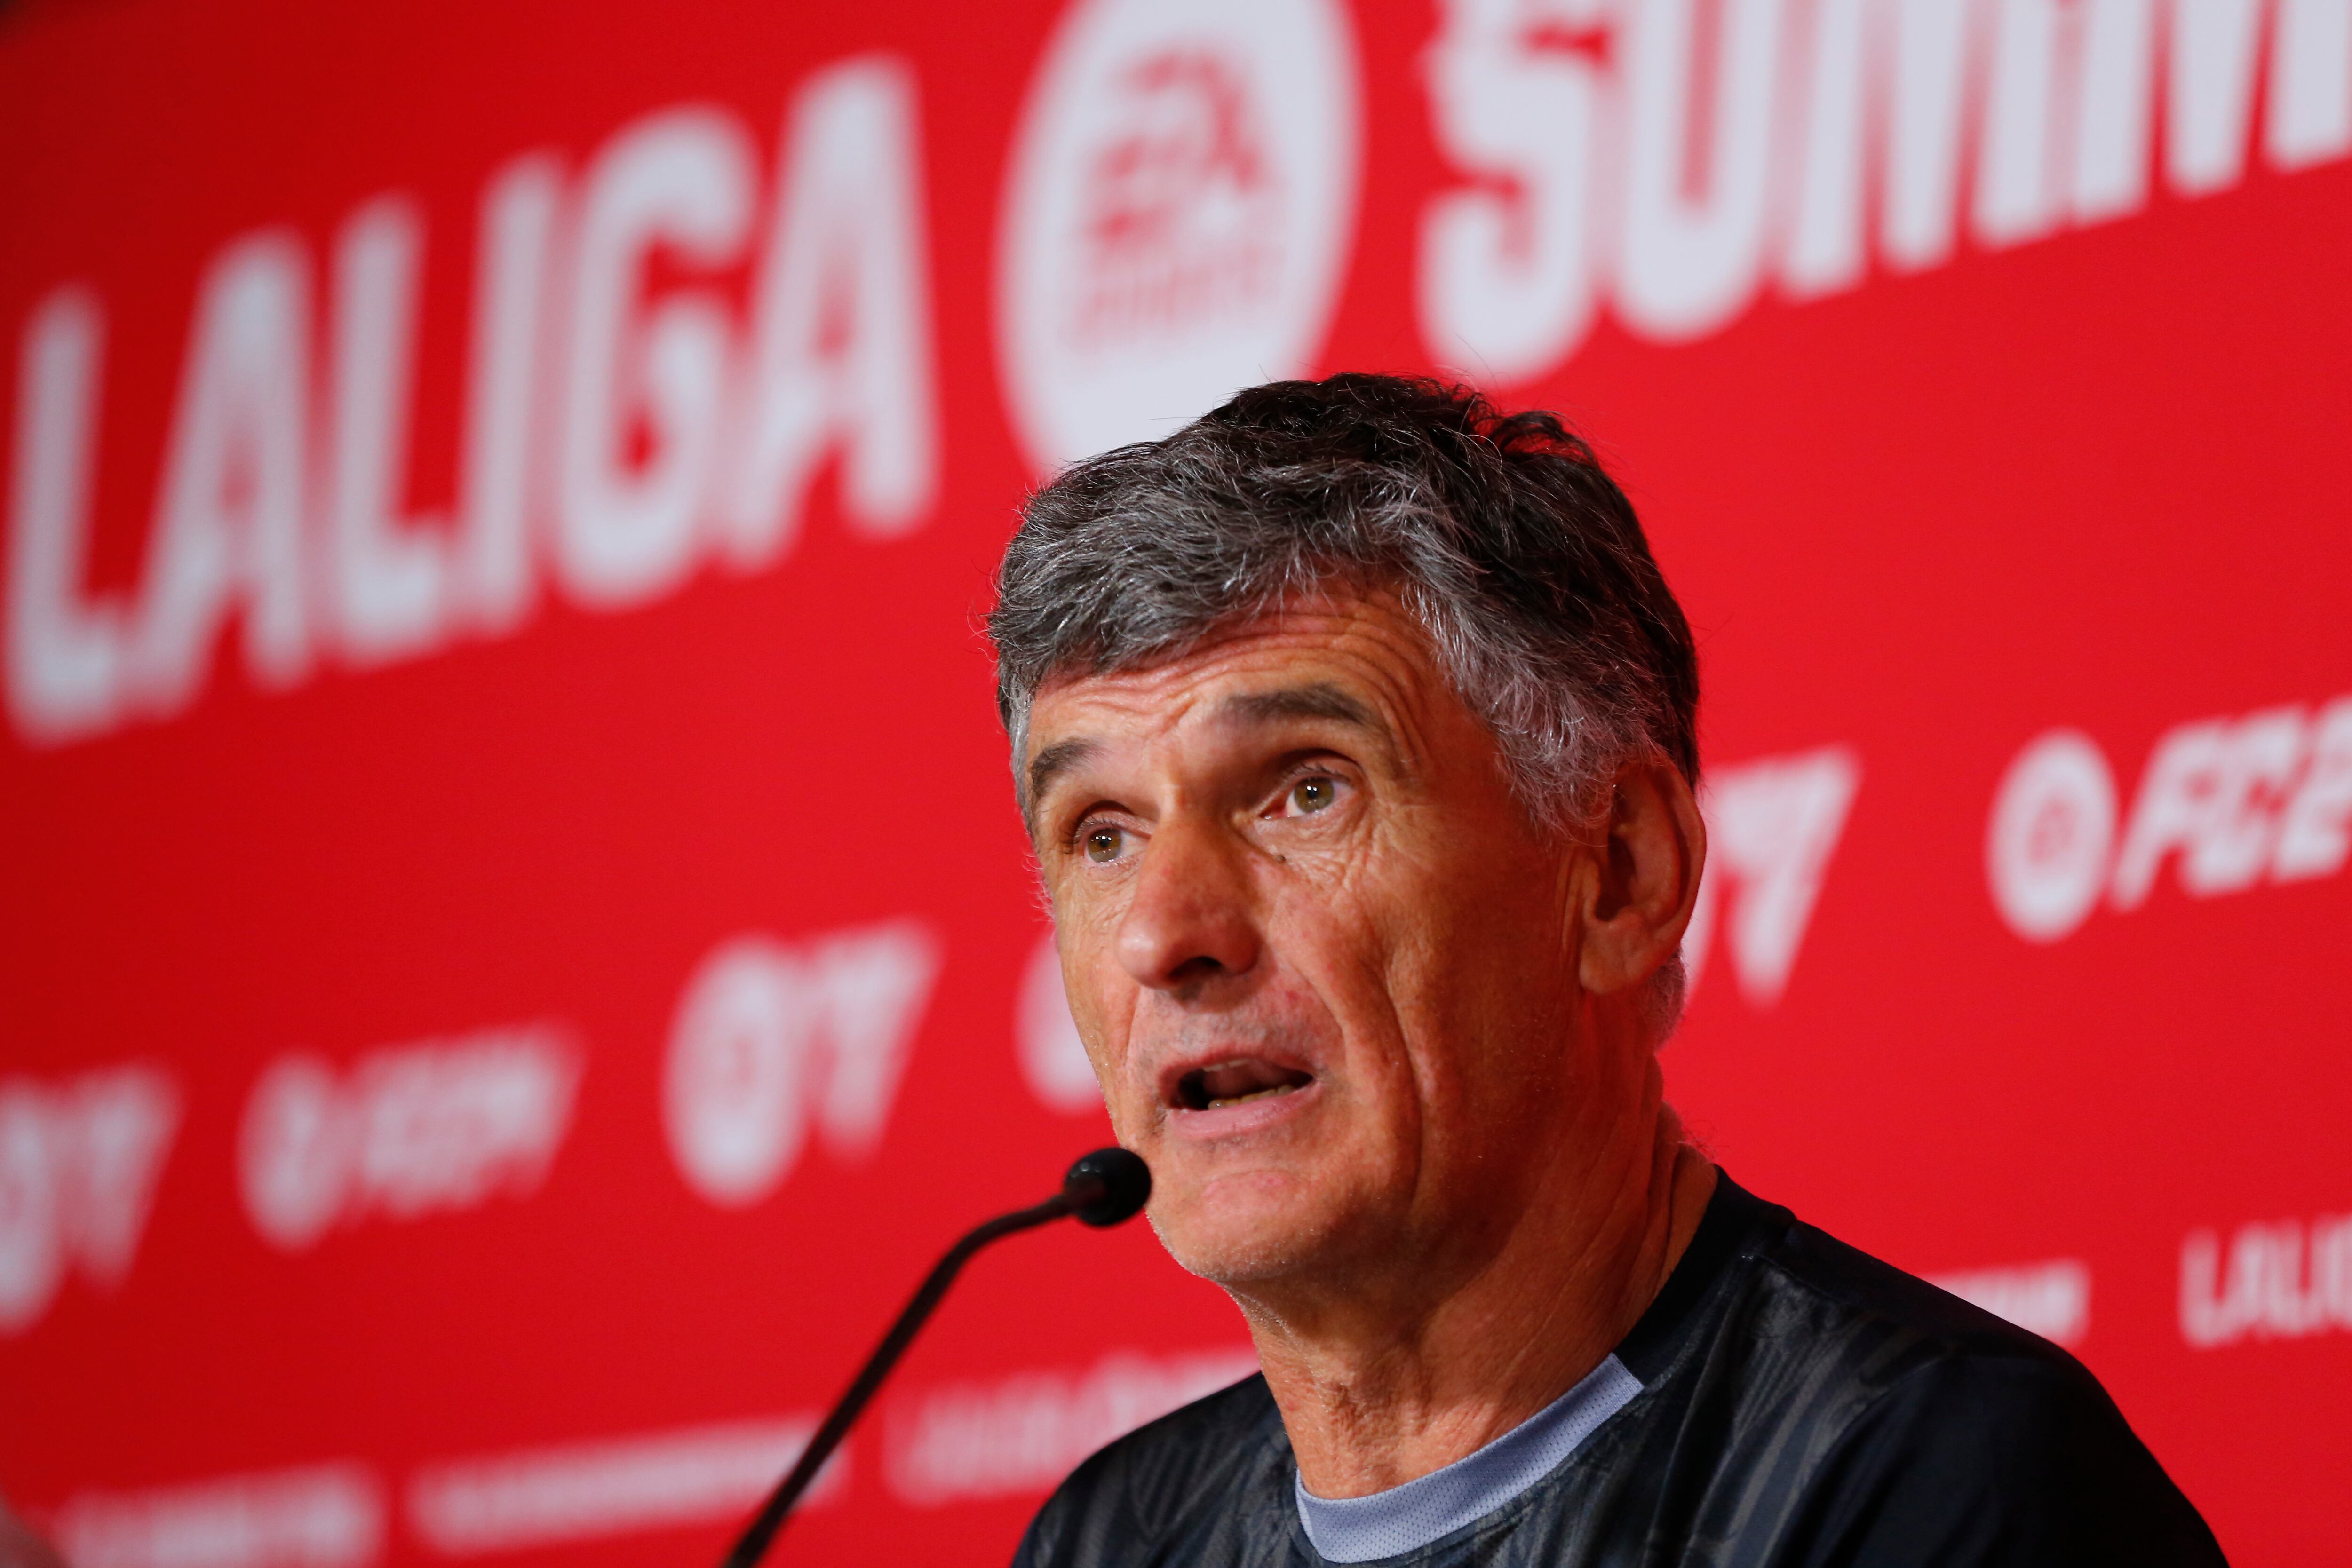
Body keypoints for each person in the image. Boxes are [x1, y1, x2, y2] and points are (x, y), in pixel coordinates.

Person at [986, 374, 2224, 1568]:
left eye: (1309, 790)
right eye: (1104, 832)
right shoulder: (1110, 1539)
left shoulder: (1928, 1481)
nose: (1163, 934)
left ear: (1621, 875)